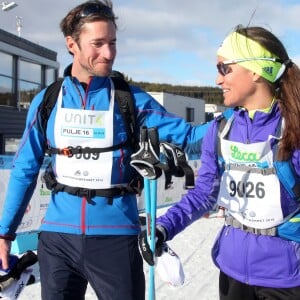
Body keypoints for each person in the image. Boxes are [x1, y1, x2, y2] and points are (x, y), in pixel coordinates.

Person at [0, 1, 210, 299]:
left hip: (115, 238)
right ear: (71, 44)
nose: (108, 53)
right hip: (58, 239)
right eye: (97, 43)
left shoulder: (129, 99)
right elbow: (25, 168)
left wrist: (241, 115)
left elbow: (189, 136)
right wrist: (5, 233)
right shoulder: (47, 101)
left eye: (112, 43)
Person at [139, 25, 300, 300]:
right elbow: (205, 193)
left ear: (256, 70)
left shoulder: (293, 126)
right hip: (232, 270)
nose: (217, 79)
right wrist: (164, 227)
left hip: (285, 276)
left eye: (225, 68)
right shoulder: (221, 129)